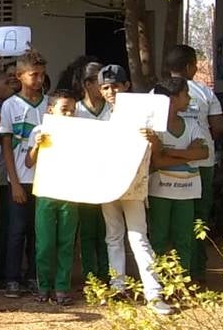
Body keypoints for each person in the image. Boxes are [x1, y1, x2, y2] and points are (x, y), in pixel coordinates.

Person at [98, 65, 172, 315]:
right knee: (113, 235)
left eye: (116, 86)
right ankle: (117, 287)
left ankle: (154, 292)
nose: (111, 91)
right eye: (106, 87)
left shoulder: (143, 112)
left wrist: (152, 138)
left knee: (138, 236)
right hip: (107, 182)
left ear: (127, 86)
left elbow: (157, 145)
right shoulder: (99, 117)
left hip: (134, 181)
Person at [146, 76, 208, 274]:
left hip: (187, 191)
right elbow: (157, 161)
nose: (189, 98)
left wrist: (168, 152)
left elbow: (203, 153)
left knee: (184, 238)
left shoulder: (191, 124)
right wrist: (187, 156)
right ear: (171, 99)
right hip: (160, 191)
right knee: (159, 238)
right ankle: (160, 282)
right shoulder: (154, 127)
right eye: (185, 94)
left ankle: (183, 282)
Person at [0, 50, 48, 297]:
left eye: (42, 75)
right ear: (19, 75)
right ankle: (12, 278)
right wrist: (14, 183)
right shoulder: (10, 105)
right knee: (16, 230)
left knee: (37, 230)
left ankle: (34, 275)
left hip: (45, 180)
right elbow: (6, 148)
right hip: (20, 179)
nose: (39, 80)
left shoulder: (49, 104)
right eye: (34, 75)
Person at [25, 90, 79, 304]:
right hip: (46, 191)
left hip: (70, 192)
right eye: (64, 110)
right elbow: (29, 163)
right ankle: (44, 285)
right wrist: (37, 144)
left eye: (72, 111)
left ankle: (62, 288)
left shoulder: (79, 132)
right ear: (50, 110)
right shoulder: (40, 130)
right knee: (45, 243)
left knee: (66, 242)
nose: (68, 115)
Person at [71, 61, 111, 283]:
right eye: (100, 81)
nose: (106, 86)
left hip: (109, 177)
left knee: (107, 229)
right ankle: (90, 278)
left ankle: (108, 274)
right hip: (84, 179)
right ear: (87, 84)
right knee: (87, 230)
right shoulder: (74, 110)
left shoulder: (113, 110)